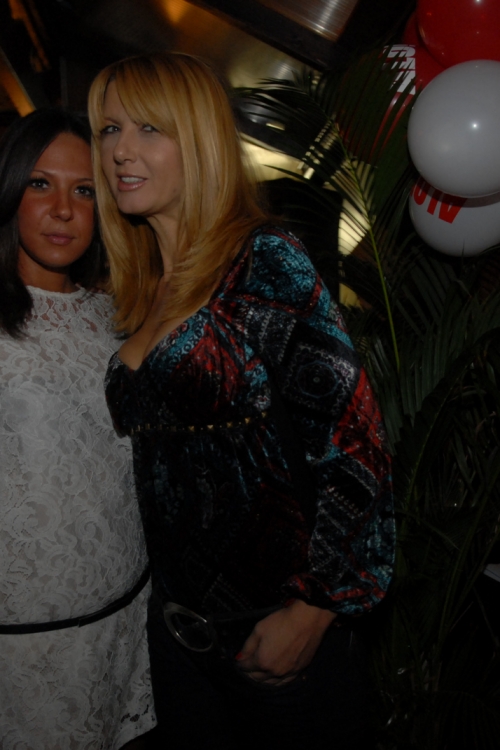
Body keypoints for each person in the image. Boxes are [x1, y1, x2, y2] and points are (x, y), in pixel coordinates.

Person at [88, 52, 395, 750]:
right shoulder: (141, 289)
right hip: (178, 640)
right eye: (109, 130)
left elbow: (356, 441)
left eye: (148, 128)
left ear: (198, 140)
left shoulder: (262, 260)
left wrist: (316, 608)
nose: (121, 151)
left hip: (277, 639)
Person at [0, 108, 155, 750]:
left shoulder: (115, 315)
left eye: (84, 190)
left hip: (129, 621)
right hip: (29, 651)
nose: (63, 209)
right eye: (41, 184)